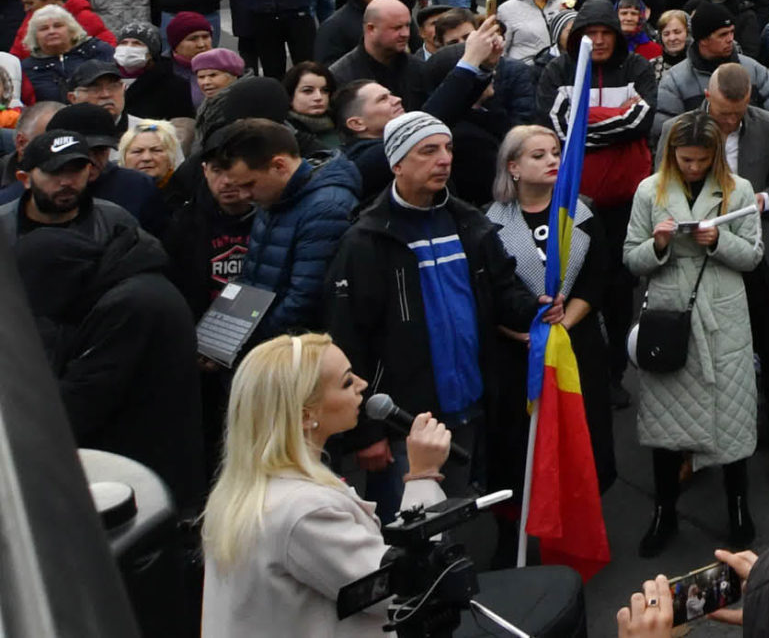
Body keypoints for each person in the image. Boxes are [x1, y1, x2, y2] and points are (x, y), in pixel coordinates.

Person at [323, 111, 539, 515]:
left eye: (448, 148)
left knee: (455, 519)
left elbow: (503, 291)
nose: (444, 159)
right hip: (405, 421)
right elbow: (347, 338)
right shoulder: (366, 240)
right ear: (397, 163)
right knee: (410, 530)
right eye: (428, 151)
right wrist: (367, 433)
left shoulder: (469, 222)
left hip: (470, 406)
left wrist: (537, 308)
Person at [199, 333, 458, 638]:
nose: (362, 385)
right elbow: (403, 590)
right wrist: (423, 475)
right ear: (307, 415)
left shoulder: (245, 489)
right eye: (347, 382)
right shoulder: (304, 510)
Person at [7, 127, 207, 506]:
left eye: (77, 170)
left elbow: (87, 392)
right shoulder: (7, 230)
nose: (67, 182)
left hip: (130, 452)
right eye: (54, 172)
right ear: (24, 178)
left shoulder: (120, 248)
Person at [626, 106, 765, 555]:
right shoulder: (649, 191)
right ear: (672, 154)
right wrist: (659, 244)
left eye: (702, 160)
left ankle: (739, 505)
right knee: (666, 420)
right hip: (671, 311)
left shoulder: (738, 189)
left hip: (723, 313)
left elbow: (753, 256)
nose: (693, 167)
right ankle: (664, 510)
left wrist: (719, 241)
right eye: (685, 159)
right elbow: (631, 257)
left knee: (732, 412)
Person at [484, 123, 618, 523]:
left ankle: (580, 515)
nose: (552, 161)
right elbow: (488, 292)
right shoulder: (487, 224)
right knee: (520, 442)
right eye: (538, 156)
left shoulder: (583, 212)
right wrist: (523, 333)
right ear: (513, 168)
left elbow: (600, 279)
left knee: (583, 432)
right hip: (517, 352)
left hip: (578, 346)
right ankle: (516, 526)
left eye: (556, 153)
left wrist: (564, 322)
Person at [208, 117, 364, 347]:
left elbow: (304, 301)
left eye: (249, 184)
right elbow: (252, 278)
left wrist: (246, 345)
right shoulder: (273, 198)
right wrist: (221, 340)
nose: (244, 196)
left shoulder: (326, 209)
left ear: (279, 166)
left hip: (295, 352)